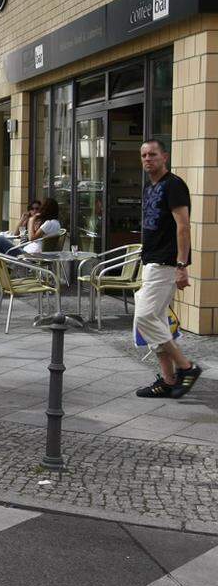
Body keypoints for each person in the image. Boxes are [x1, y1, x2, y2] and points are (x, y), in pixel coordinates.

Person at [132, 139, 202, 398]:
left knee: (145, 317)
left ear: (165, 157)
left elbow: (183, 226)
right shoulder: (150, 187)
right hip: (151, 262)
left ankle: (186, 367)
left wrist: (182, 265)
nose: (147, 159)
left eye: (153, 154)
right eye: (144, 155)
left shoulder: (174, 185)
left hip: (166, 263)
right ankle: (169, 380)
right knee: (156, 320)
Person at [0, 198, 61, 292]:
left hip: (29, 256)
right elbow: (17, 234)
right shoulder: (55, 223)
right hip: (29, 253)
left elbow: (31, 238)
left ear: (46, 209)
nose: (38, 211)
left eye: (40, 208)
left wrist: (32, 220)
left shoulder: (49, 223)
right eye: (33, 209)